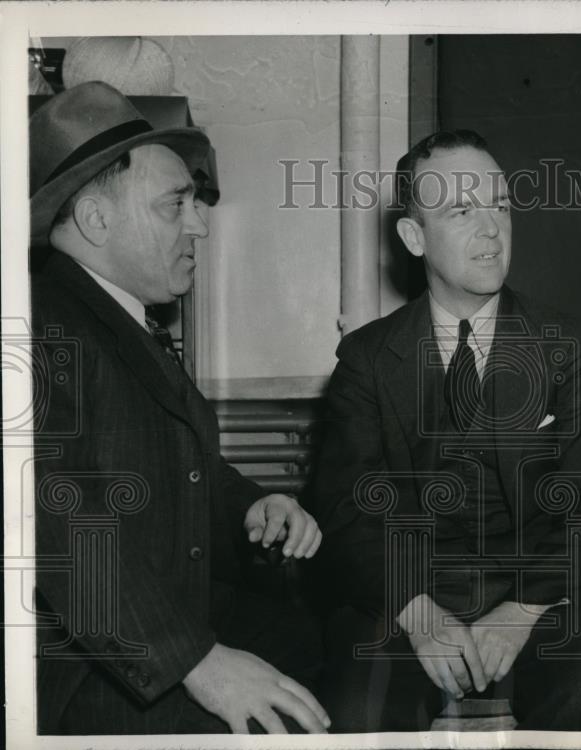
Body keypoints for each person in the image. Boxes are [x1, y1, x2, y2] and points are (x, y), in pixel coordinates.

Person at [29, 81, 330, 735]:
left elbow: (171, 461)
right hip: (89, 667)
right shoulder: (39, 324)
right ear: (95, 219)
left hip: (165, 611)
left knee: (318, 643)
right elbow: (56, 522)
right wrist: (198, 663)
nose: (199, 224)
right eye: (175, 205)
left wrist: (250, 502)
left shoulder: (118, 316)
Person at [310, 129, 581, 731]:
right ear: (413, 237)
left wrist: (522, 607)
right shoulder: (368, 359)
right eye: (462, 211)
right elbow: (346, 507)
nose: (492, 229)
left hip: (541, 595)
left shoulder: (563, 346)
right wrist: (416, 610)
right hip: (406, 597)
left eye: (501, 206)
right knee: (358, 711)